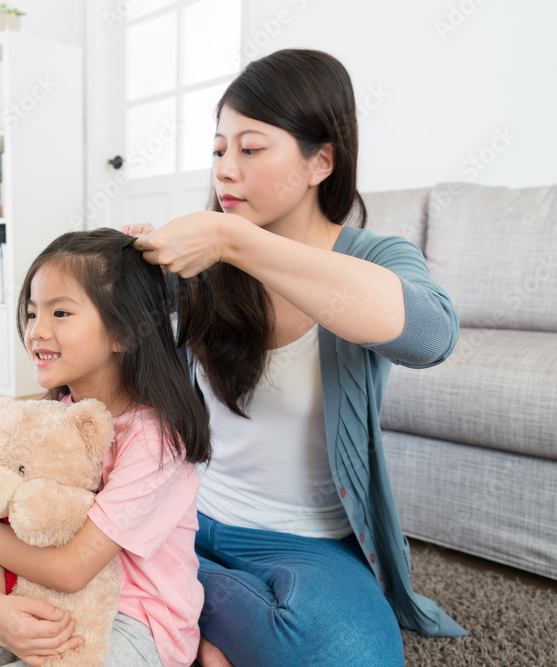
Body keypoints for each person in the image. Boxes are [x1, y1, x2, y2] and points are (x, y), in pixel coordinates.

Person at [121, 49, 467, 666]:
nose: (225, 170)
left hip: (306, 545)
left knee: (358, 655)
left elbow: (432, 336)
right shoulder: (207, 261)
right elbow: (105, 332)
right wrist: (124, 273)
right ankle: (192, 608)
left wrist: (234, 239)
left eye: (250, 149)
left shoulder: (376, 255)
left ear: (320, 161)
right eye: (219, 149)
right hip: (186, 512)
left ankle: (175, 607)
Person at [0, 228, 212, 667]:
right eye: (31, 313)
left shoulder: (156, 442)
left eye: (60, 312)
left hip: (136, 623)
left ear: (124, 330)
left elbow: (71, 568)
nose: (37, 330)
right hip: (34, 593)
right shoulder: (48, 417)